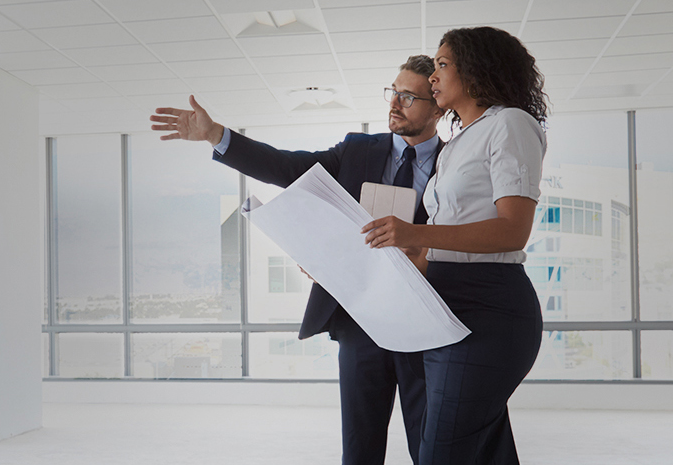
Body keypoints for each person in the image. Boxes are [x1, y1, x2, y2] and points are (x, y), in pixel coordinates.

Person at [150, 56, 447, 465]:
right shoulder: (358, 150)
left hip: (423, 323)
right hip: (358, 320)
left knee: (431, 444)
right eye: (393, 92)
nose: (394, 104)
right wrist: (216, 135)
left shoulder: (454, 165)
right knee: (360, 447)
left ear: (438, 106)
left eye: (408, 97)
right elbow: (286, 167)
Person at [359, 27, 549, 464]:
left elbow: (511, 231)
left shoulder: (511, 124)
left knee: (441, 453)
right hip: (446, 305)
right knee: (483, 453)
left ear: (478, 70)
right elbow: (450, 236)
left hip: (489, 308)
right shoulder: (460, 141)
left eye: (443, 65)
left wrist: (417, 234)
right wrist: (405, 255)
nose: (433, 77)